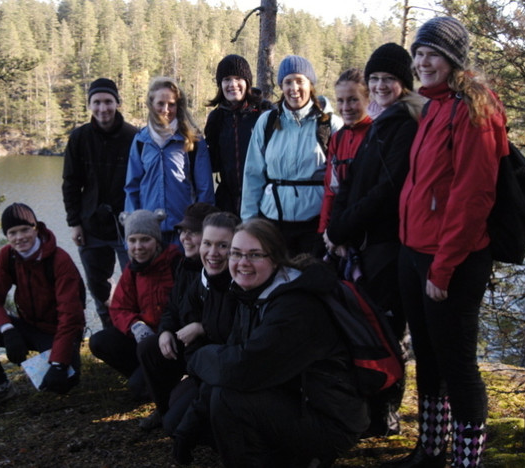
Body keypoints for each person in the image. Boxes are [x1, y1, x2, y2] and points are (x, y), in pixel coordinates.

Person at [394, 17, 508, 468]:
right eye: (419, 53)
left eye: (433, 54)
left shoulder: (474, 109)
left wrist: (443, 268)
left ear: (454, 60)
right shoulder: (435, 105)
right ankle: (431, 449)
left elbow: (472, 198)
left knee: (458, 365)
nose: (423, 62)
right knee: (427, 356)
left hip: (452, 260)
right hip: (415, 250)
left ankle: (466, 460)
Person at [187, 219, 368, 467]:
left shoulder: (295, 305)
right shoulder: (251, 292)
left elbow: (242, 368)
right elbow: (231, 356)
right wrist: (189, 425)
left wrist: (196, 358)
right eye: (236, 254)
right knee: (203, 412)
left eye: (254, 255)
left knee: (227, 398)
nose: (242, 263)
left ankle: (304, 458)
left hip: (331, 419)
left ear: (275, 259)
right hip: (294, 398)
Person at [325, 43, 424, 438]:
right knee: (363, 325)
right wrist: (334, 229)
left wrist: (342, 228)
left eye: (389, 79)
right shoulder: (381, 122)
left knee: (387, 329)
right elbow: (349, 184)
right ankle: (368, 408)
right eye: (376, 79)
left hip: (388, 244)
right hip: (363, 244)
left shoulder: (406, 124)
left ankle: (386, 412)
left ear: (404, 82)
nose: (381, 86)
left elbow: (387, 189)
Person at [0, 203, 86, 415]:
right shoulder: (8, 256)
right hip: (28, 326)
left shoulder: (59, 260)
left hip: (58, 332)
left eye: (25, 230)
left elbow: (70, 316)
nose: (19, 237)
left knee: (65, 382)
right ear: (6, 236)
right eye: (12, 233)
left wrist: (59, 363)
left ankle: (58, 362)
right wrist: (7, 330)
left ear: (36, 228)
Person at [240, 55, 342, 256]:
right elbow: (253, 175)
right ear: (281, 86)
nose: (294, 88)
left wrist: (336, 227)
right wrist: (249, 223)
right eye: (288, 82)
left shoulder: (329, 124)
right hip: (272, 222)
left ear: (310, 84)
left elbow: (341, 181)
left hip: (315, 225)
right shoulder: (267, 122)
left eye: (299, 81)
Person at [62, 78, 138, 329]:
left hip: (127, 226)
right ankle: (110, 332)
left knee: (135, 283)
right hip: (91, 224)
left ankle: (135, 330)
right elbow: (71, 183)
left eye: (108, 101)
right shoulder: (79, 138)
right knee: (98, 287)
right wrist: (74, 223)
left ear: (117, 103)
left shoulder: (134, 137)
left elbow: (142, 182)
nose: (102, 108)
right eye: (96, 102)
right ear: (90, 105)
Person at [136, 202, 220, 430]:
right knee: (148, 348)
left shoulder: (219, 269)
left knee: (178, 418)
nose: (184, 238)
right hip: (183, 342)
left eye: (193, 233)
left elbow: (226, 319)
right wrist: (165, 330)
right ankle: (162, 410)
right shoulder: (184, 265)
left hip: (208, 348)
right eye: (183, 232)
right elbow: (172, 306)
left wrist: (201, 327)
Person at [88, 209, 182, 400]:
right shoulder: (132, 269)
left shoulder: (175, 264)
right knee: (99, 341)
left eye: (145, 240)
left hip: (171, 340)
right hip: (144, 337)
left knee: (139, 387)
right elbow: (119, 308)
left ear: (157, 240)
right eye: (132, 240)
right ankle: (146, 376)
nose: (138, 247)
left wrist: (166, 331)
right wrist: (135, 325)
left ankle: (164, 381)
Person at [125, 77, 215, 245]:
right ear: (151, 104)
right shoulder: (141, 141)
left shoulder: (192, 140)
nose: (166, 110)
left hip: (183, 231)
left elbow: (205, 189)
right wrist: (133, 227)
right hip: (149, 232)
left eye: (171, 104)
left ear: (178, 106)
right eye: (160, 103)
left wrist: (199, 227)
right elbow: (132, 188)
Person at [204, 54, 271, 213]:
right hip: (227, 202)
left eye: (238, 78)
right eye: (227, 79)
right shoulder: (217, 118)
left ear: (247, 82)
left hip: (262, 200)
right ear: (220, 84)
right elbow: (212, 162)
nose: (232, 85)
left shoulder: (264, 113)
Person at [318, 68, 373, 234]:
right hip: (338, 228)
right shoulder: (338, 138)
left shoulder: (377, 134)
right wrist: (324, 230)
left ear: (368, 99)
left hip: (368, 230)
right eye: (340, 101)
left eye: (353, 100)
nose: (345, 107)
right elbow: (331, 191)